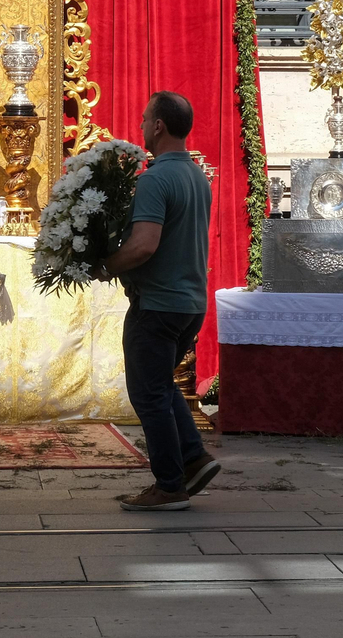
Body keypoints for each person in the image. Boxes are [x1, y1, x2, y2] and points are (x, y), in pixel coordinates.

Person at [102, 91, 221, 511]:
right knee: (162, 387)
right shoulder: (196, 176)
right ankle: (193, 459)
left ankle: (169, 486)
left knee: (148, 395)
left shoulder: (155, 179)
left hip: (157, 304)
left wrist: (106, 264)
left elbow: (144, 246)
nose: (139, 126)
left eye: (143, 119)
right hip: (190, 303)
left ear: (158, 126)